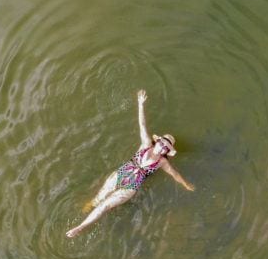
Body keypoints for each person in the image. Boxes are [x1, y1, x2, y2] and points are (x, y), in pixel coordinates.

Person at [66, 90, 195, 238]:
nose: (163, 147)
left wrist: (185, 184)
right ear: (157, 141)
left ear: (167, 151)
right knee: (98, 199)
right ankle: (89, 206)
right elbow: (142, 125)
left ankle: (81, 227)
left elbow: (175, 174)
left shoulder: (162, 162)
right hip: (121, 173)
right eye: (162, 143)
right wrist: (140, 104)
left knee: (105, 205)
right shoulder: (146, 144)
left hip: (131, 186)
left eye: (166, 147)